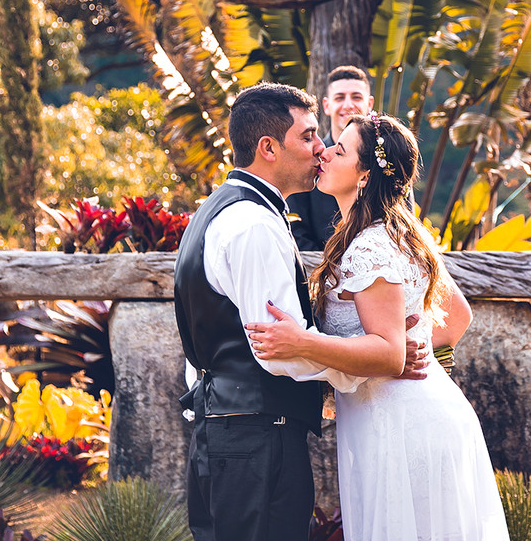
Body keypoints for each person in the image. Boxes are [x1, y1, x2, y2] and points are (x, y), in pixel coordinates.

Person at [174, 84, 428, 541]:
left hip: (231, 429)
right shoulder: (253, 225)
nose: (320, 148)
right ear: (268, 148)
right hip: (257, 438)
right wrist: (371, 366)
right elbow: (280, 351)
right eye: (308, 136)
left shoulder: (220, 210)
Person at [246, 112, 508, 541]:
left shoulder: (372, 245)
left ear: (364, 175)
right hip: (394, 415)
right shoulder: (394, 233)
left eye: (340, 149)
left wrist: (306, 343)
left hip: (403, 425)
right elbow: (455, 317)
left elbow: (389, 353)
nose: (325, 152)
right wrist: (398, 348)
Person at [288, 65, 374, 251]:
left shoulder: (385, 160)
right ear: (327, 105)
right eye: (340, 97)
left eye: (357, 97)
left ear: (370, 104)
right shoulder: (306, 158)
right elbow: (296, 228)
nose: (348, 105)